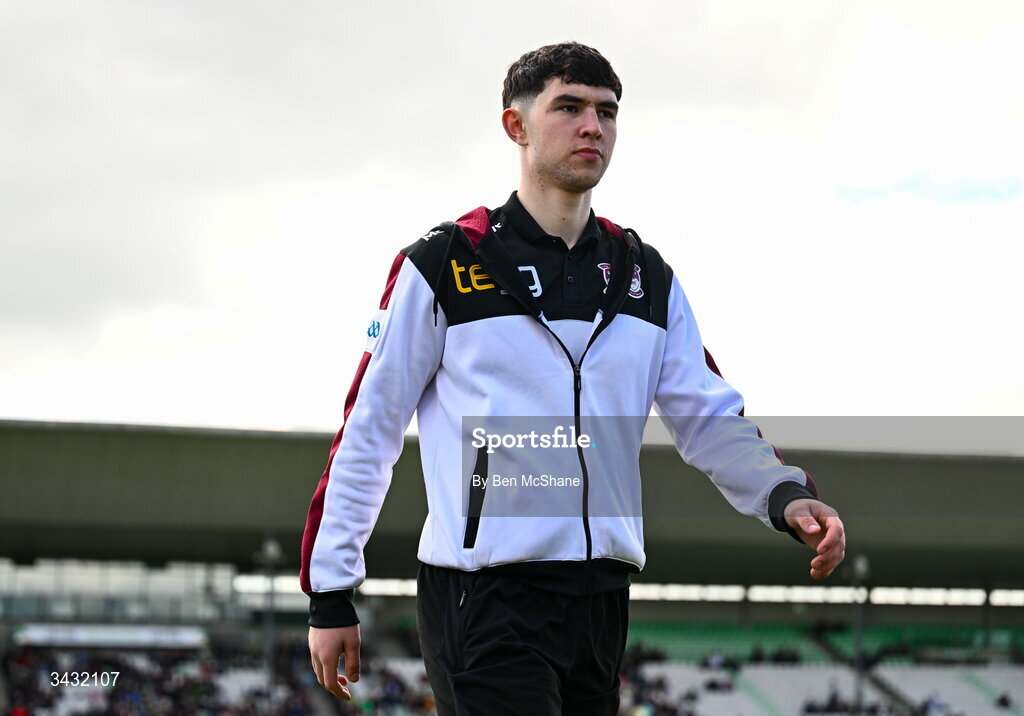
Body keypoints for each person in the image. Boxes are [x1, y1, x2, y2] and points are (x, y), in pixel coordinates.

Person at [301, 42, 846, 715]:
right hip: (485, 599)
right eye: (570, 107)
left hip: (601, 604)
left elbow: (707, 416)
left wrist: (785, 496)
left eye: (607, 112)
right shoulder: (443, 264)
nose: (593, 126)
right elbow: (369, 430)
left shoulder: (646, 275)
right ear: (516, 125)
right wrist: (331, 591)